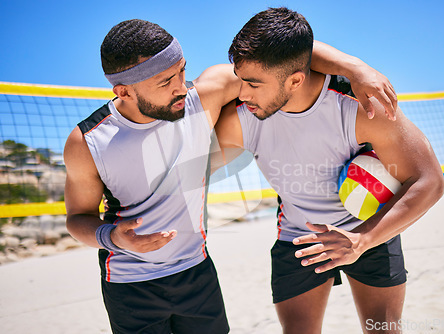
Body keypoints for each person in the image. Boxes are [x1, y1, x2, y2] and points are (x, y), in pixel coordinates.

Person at [64, 18, 399, 334]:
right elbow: (78, 218)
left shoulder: (205, 96)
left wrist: (356, 68)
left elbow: (285, 54)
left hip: (196, 271)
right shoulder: (88, 142)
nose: (182, 87)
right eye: (165, 82)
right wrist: (113, 238)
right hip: (128, 281)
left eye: (182, 71)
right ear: (124, 92)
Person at [215, 7, 444, 334]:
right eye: (241, 81)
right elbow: (185, 169)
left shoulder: (360, 107)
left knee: (384, 330)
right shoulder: (242, 115)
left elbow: (429, 180)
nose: (243, 92)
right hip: (299, 235)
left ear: (295, 80)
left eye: (253, 84)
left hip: (370, 227)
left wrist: (361, 240)